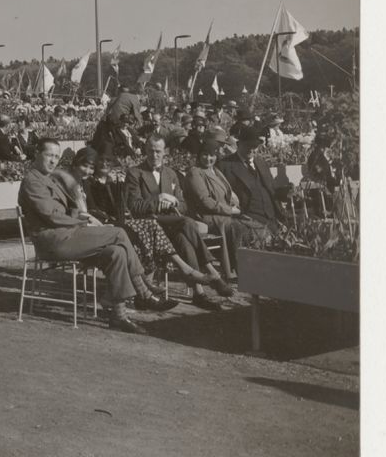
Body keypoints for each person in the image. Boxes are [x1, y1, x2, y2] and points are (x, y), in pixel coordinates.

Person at [17, 138, 174, 333]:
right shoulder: (32, 181)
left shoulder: (49, 178)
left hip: (67, 236)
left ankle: (119, 315)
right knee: (118, 232)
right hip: (52, 241)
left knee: (116, 252)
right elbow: (52, 216)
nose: (53, 161)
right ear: (36, 154)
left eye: (57, 156)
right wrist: (83, 221)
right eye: (49, 155)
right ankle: (143, 288)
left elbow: (67, 211)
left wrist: (79, 214)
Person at [125, 137, 233, 308]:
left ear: (165, 152)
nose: (154, 155)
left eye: (158, 151)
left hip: (171, 224)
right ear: (145, 151)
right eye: (151, 150)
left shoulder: (170, 173)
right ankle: (212, 275)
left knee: (184, 238)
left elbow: (183, 206)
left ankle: (200, 293)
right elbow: (134, 206)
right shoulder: (135, 173)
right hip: (149, 225)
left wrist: (175, 202)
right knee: (187, 224)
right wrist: (157, 200)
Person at [180, 140, 250, 277]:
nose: (208, 158)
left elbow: (227, 193)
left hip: (221, 213)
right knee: (236, 226)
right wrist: (230, 211)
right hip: (205, 216)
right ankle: (236, 268)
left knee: (250, 224)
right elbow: (205, 201)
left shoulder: (216, 171)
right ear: (199, 155)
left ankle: (246, 265)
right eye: (205, 155)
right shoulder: (195, 173)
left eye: (212, 155)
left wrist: (235, 205)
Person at [218, 125, 288, 233]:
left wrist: (286, 192)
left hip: (272, 219)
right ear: (238, 144)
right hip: (248, 221)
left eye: (254, 146)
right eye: (247, 145)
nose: (251, 149)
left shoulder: (261, 163)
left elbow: (272, 190)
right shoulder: (225, 165)